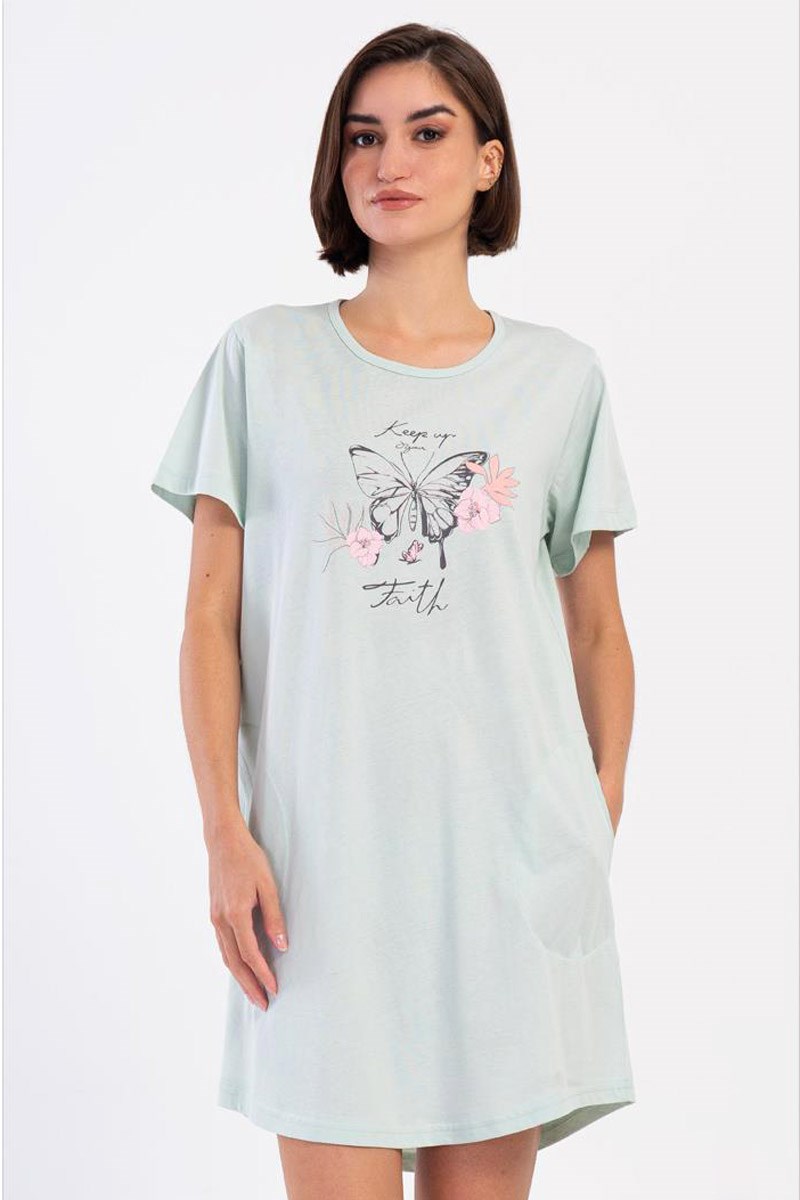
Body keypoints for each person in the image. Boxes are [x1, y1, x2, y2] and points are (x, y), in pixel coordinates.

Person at [151, 22, 639, 1200]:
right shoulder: (262, 360)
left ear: (486, 162)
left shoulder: (559, 378)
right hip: (318, 881)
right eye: (362, 137)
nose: (388, 162)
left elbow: (594, 629)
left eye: (427, 132)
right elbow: (208, 617)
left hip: (511, 866)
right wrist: (223, 833)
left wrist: (595, 814)